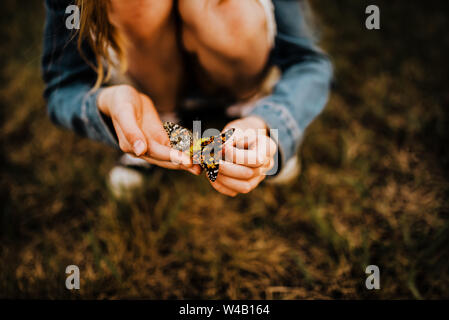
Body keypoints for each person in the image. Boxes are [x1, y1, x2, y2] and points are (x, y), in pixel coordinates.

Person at [42, 0, 332, 197]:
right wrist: (107, 103)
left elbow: (309, 62)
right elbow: (63, 85)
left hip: (243, 75)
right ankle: (158, 120)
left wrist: (270, 121)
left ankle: (253, 107)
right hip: (150, 80)